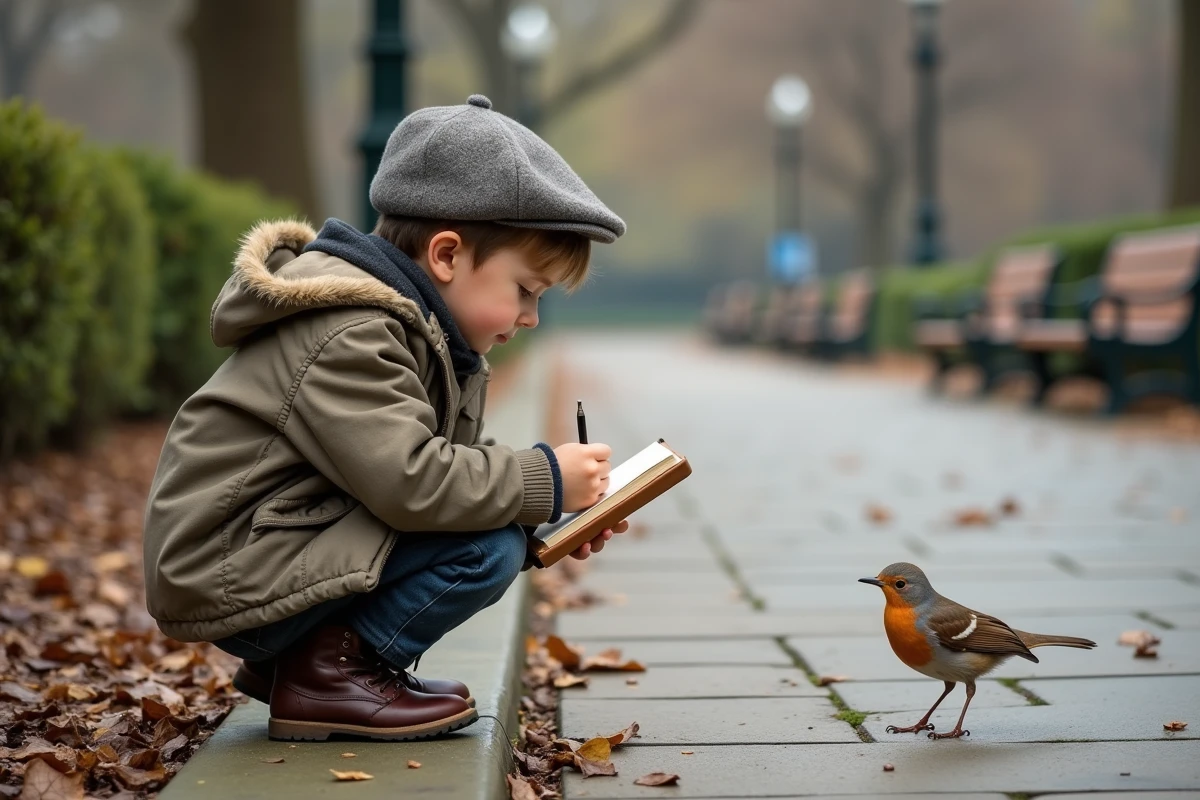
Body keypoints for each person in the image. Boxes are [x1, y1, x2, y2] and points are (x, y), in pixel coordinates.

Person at [142, 94, 627, 741]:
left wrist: (556, 507)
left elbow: (445, 472)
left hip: (273, 546)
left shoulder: (421, 334)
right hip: (227, 568)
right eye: (525, 291)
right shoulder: (350, 332)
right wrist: (540, 480)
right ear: (448, 256)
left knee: (495, 530)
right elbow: (414, 483)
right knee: (487, 548)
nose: (530, 318)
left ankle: (311, 663)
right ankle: (327, 676)